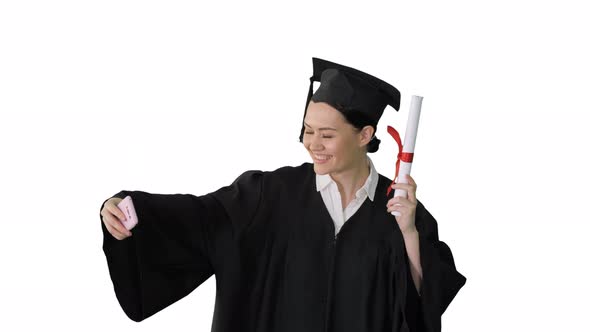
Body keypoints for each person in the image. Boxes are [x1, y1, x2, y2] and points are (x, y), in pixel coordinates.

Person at [99, 57, 466, 332]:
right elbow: (199, 218)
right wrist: (129, 209)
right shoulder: (267, 195)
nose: (312, 144)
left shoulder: (401, 211)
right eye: (308, 130)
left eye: (327, 134)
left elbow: (423, 307)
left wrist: (409, 233)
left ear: (364, 135)